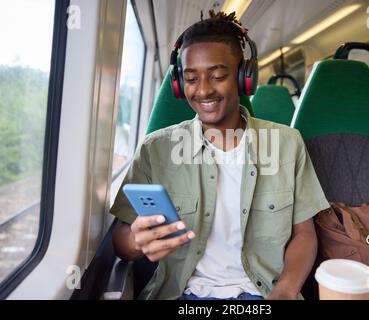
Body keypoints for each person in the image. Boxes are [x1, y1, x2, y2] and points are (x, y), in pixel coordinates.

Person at [110, 11, 329, 300]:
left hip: (264, 293)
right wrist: (136, 242)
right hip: (185, 295)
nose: (202, 90)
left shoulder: (287, 144)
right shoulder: (155, 149)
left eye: (218, 76)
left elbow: (305, 233)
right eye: (190, 79)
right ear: (178, 83)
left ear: (243, 78)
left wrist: (287, 289)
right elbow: (121, 239)